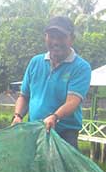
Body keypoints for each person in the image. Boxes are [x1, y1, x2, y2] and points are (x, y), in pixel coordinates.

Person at [12, 16, 91, 149]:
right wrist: (18, 116)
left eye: (61, 37)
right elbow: (24, 96)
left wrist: (55, 117)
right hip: (35, 130)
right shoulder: (35, 62)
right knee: (35, 168)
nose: (55, 41)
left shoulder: (81, 67)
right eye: (51, 36)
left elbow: (73, 101)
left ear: (72, 39)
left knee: (62, 169)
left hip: (65, 134)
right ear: (45, 37)